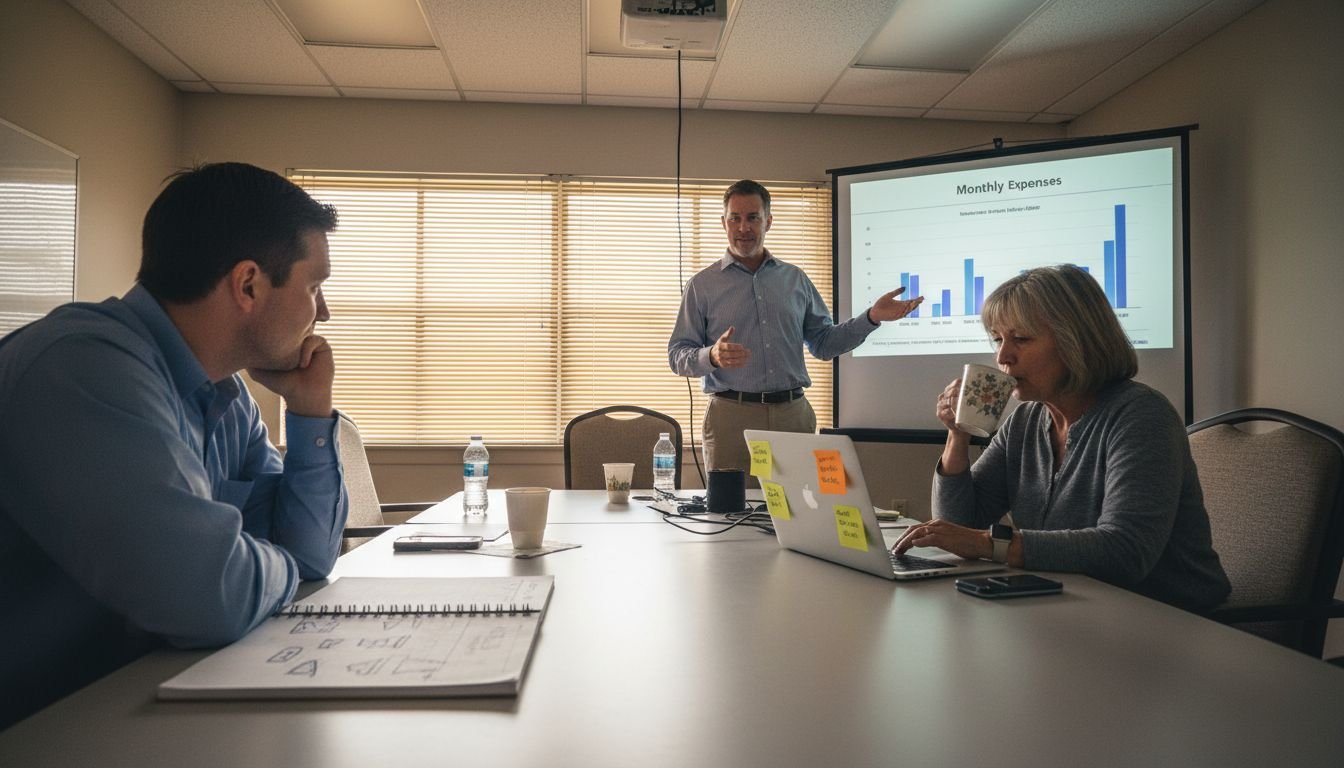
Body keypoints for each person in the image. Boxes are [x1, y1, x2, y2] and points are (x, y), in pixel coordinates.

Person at [0, 162, 349, 727]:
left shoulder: (227, 398)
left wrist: (309, 412)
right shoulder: (82, 367)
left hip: (128, 703)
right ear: (249, 285)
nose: (323, 312)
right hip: (39, 726)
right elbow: (209, 598)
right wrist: (263, 566)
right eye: (315, 286)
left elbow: (309, 555)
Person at [893, 264, 1229, 612]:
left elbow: (1126, 552)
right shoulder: (1025, 421)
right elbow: (959, 526)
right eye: (998, 339)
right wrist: (957, 435)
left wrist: (988, 543)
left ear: (1077, 341)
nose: (1002, 356)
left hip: (1168, 621)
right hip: (1074, 608)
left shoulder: (1142, 416)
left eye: (1020, 339)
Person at [668, 179, 923, 473]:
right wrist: (711, 356)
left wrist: (871, 318)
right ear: (723, 222)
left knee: (799, 511)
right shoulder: (702, 285)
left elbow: (824, 344)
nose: (743, 228)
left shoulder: (795, 280)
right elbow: (677, 355)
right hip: (731, 417)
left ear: (769, 221)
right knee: (730, 512)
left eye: (753, 218)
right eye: (735, 218)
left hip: (792, 416)